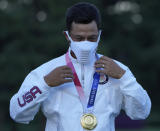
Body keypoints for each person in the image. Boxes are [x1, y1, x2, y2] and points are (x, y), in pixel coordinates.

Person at [10, 2, 151, 131]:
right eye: (78, 38)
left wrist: (124, 77)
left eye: (92, 38)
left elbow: (142, 112)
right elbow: (17, 113)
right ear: (67, 36)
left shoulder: (118, 70)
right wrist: (44, 84)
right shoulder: (46, 71)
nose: (85, 43)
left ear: (100, 35)